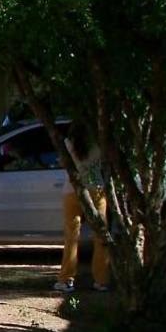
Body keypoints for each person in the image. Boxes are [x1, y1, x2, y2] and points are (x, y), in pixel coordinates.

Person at [55, 123, 110, 293]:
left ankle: (66, 279)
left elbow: (63, 163)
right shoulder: (99, 143)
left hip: (72, 189)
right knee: (100, 234)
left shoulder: (67, 144)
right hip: (97, 189)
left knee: (71, 236)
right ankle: (101, 279)